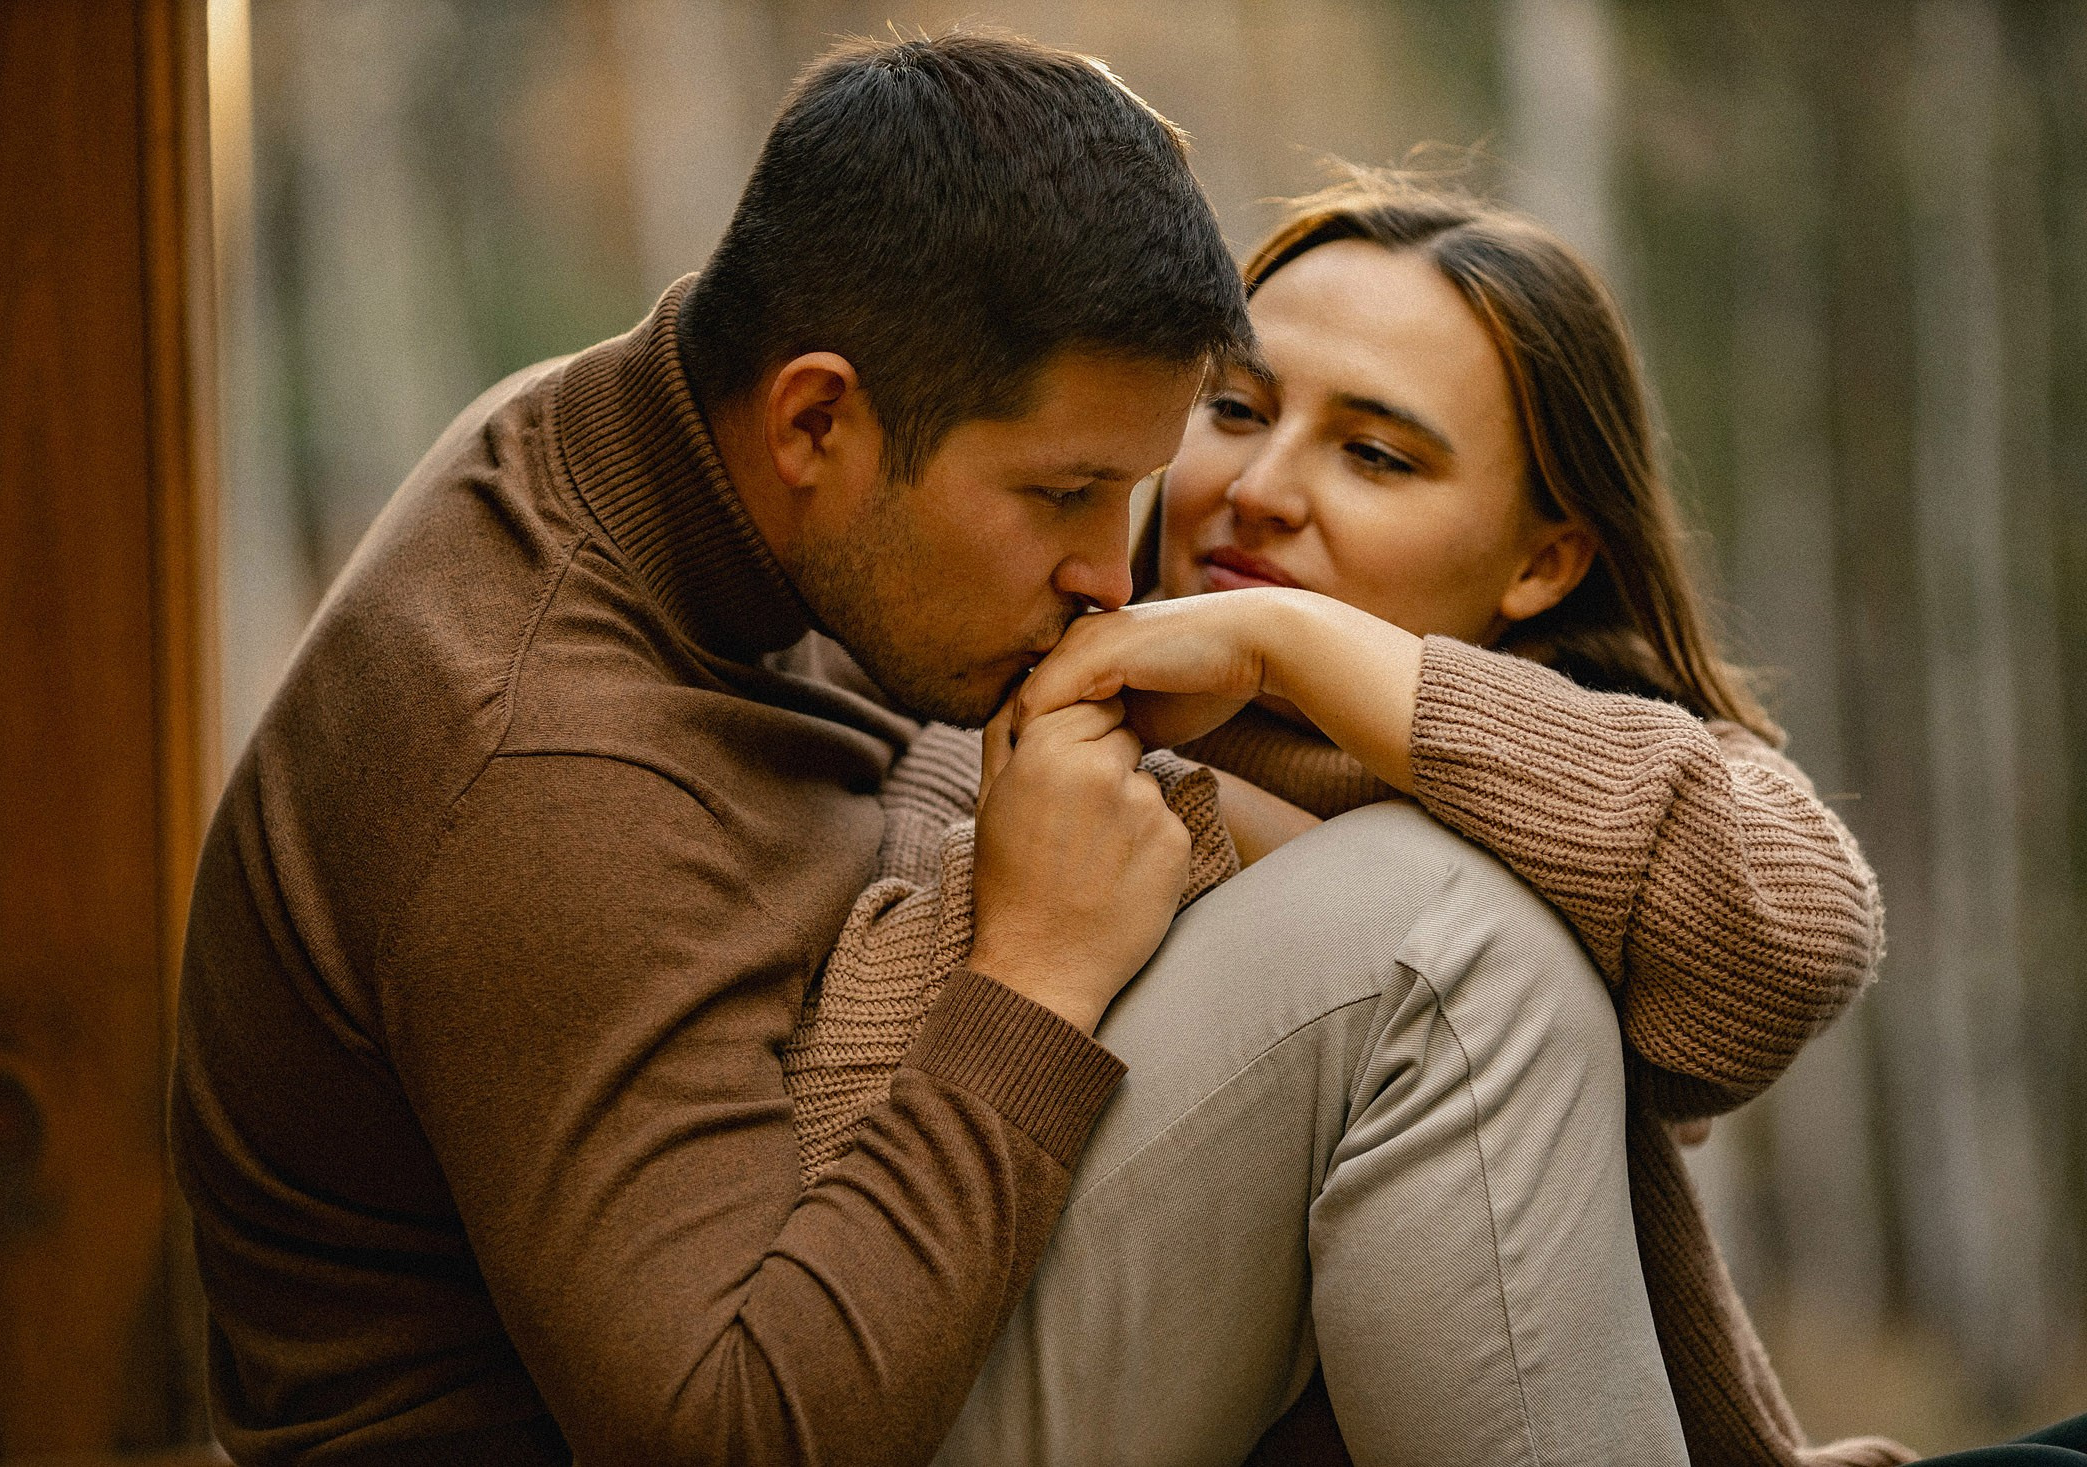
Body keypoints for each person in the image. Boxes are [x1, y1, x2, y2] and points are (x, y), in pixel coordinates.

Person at [170, 33, 1250, 1464]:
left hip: (821, 1269)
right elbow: (732, 1436)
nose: (1110, 576)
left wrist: (1289, 663)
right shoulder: (545, 767)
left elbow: (852, 777)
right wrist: (1037, 973)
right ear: (816, 418)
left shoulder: (671, 454)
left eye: (1126, 497)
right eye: (1062, 492)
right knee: (1400, 976)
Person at [781, 171, 1912, 1466]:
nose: (1257, 487)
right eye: (1233, 408)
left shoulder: (1563, 745)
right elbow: (823, 1164)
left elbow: (1788, 939)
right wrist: (1170, 838)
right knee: (1447, 932)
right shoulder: (1012, 704)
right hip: (986, 1404)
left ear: (1543, 563)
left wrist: (1283, 640)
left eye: (1374, 455)